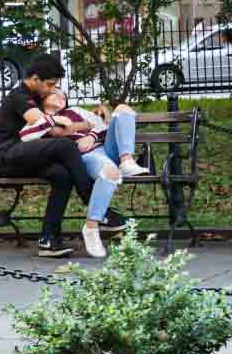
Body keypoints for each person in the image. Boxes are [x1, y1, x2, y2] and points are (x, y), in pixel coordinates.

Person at [0, 54, 123, 258]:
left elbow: (65, 118)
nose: (52, 89)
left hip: (30, 155)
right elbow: (46, 124)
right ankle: (94, 203)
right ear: (35, 79)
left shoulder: (36, 96)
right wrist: (75, 123)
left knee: (63, 175)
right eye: (50, 85)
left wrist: (91, 117)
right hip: (9, 156)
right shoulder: (19, 96)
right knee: (65, 146)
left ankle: (48, 239)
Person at [19, 91, 148, 257]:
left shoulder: (76, 110)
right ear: (43, 99)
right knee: (110, 173)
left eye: (63, 95)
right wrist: (52, 120)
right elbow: (25, 136)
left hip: (105, 147)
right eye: (55, 93)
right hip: (85, 157)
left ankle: (127, 160)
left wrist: (92, 136)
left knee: (123, 109)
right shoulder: (40, 118)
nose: (61, 97)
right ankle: (92, 227)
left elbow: (103, 124)